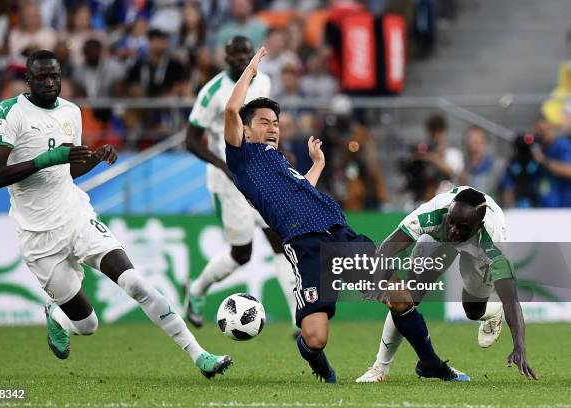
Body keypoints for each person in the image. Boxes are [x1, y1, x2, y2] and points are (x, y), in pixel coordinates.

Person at [223, 47, 470, 383]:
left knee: (400, 297)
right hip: (305, 245)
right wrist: (251, 71)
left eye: (276, 123)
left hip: (338, 232)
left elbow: (302, 191)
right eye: (264, 122)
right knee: (315, 337)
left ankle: (431, 364)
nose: (272, 128)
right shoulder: (241, 157)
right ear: (246, 130)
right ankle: (315, 358)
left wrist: (318, 166)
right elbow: (230, 109)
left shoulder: (277, 161)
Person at [0, 50, 232, 378]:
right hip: (37, 235)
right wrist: (49, 158)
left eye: (55, 76)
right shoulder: (10, 112)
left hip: (75, 216)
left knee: (136, 283)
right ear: (28, 81)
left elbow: (68, 172)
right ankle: (59, 317)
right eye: (42, 77)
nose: (49, 82)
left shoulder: (72, 113)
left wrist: (94, 159)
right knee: (87, 324)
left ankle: (200, 355)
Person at [355, 187, 537, 383]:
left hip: (477, 251)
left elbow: (510, 299)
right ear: (449, 210)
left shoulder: (493, 244)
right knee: (408, 297)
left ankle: (493, 312)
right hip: (436, 239)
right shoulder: (432, 214)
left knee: (473, 311)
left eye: (462, 227)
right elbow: (386, 249)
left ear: (478, 225)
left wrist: (519, 345)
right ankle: (380, 368)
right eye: (452, 222)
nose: (453, 231)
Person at [184, 36, 297, 334]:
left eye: (245, 54)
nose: (241, 60)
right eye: (235, 55)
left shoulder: (264, 82)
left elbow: (265, 124)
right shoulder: (212, 93)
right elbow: (191, 140)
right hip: (228, 183)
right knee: (241, 253)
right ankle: (196, 290)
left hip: (260, 175)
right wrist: (223, 164)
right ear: (226, 57)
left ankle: (299, 319)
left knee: (281, 240)